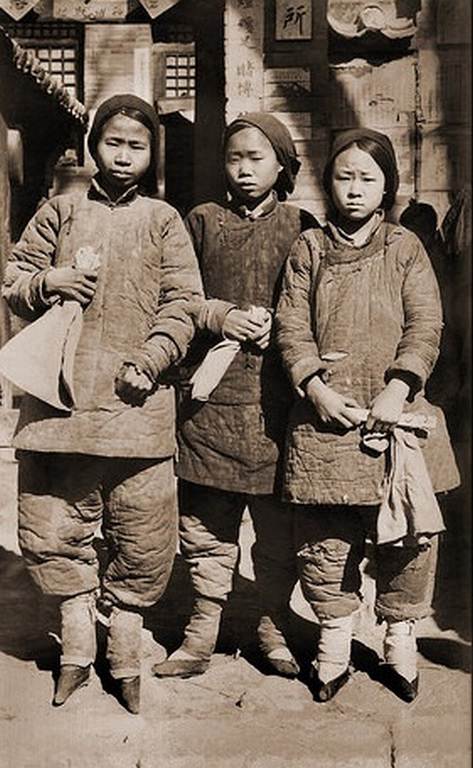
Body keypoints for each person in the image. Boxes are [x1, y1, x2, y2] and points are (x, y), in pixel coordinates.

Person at [2, 94, 203, 714]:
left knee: (142, 532)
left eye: (136, 146)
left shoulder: (163, 219)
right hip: (58, 406)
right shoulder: (58, 211)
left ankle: (125, 648)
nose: (123, 155)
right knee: (50, 523)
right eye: (112, 142)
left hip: (137, 407)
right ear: (94, 147)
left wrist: (153, 356)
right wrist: (47, 282)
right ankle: (76, 648)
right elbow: (12, 279)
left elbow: (184, 302)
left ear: (151, 155)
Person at [274, 128, 460, 703]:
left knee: (409, 536)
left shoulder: (405, 247)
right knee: (325, 539)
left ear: (387, 187)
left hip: (395, 415)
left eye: (368, 178)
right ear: (328, 183)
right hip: (326, 417)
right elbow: (290, 325)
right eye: (343, 177)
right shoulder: (308, 248)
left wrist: (400, 388)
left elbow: (426, 324)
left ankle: (399, 637)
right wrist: (314, 387)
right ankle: (334, 638)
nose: (354, 190)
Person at [153, 113, 317, 680]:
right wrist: (216, 317)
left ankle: (270, 624)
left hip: (277, 406)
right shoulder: (200, 221)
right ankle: (201, 633)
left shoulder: (303, 225)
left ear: (282, 164)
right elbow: (176, 298)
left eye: (257, 158)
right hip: (209, 404)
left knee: (276, 533)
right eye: (234, 158)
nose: (244, 170)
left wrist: (287, 327)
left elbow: (318, 304)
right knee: (204, 528)